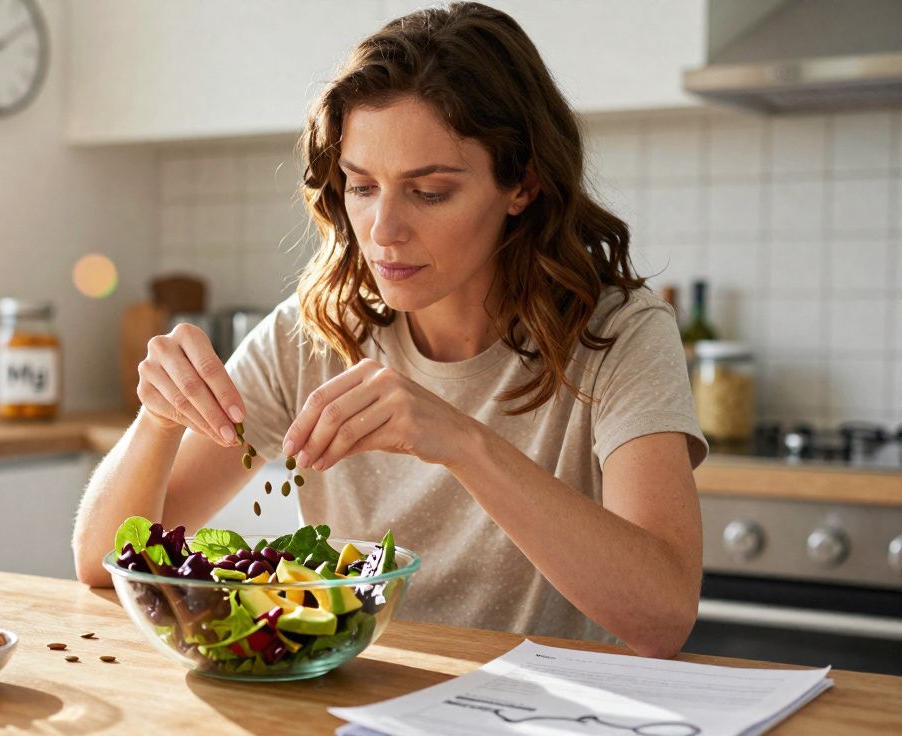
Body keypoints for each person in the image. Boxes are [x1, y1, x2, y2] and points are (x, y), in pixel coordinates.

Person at [72, 1, 706, 659]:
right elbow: (100, 563)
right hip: (359, 709)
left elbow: (663, 618)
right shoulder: (313, 334)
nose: (382, 230)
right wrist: (156, 421)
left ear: (521, 184)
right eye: (361, 185)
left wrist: (462, 441)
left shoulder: (620, 336)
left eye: (429, 192)